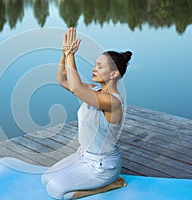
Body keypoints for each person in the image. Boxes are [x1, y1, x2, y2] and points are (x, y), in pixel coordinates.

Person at [41, 27, 132, 199]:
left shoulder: (113, 102)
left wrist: (71, 55)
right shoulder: (94, 90)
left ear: (113, 74)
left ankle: (109, 185)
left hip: (102, 166)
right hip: (82, 156)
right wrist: (64, 54)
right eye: (95, 65)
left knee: (55, 190)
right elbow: (62, 79)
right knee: (46, 178)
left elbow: (76, 89)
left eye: (99, 66)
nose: (94, 69)